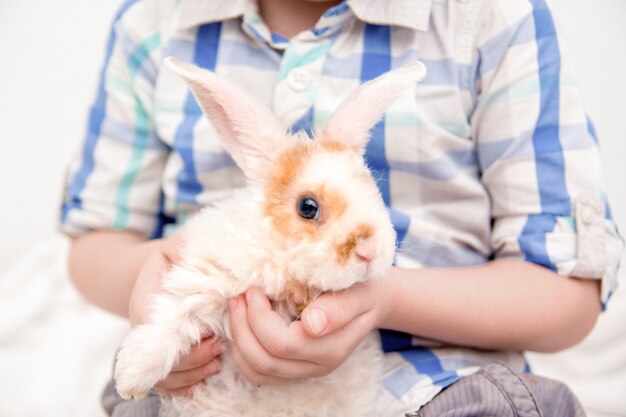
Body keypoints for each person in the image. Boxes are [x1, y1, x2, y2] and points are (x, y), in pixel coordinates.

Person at [61, 0, 623, 415]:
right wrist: (172, 288)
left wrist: (384, 297)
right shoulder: (151, 23)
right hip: (214, 379)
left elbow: (567, 290)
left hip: (434, 382)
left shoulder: (495, 20)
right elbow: (97, 241)